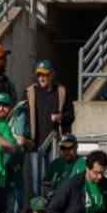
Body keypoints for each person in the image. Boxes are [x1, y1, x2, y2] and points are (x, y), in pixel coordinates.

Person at [22, 59, 72, 201]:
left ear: (52, 75)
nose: (42, 78)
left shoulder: (61, 92)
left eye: (45, 74)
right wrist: (25, 138)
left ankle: (52, 207)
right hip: (35, 145)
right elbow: (21, 117)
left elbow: (71, 116)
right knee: (37, 182)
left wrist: (61, 117)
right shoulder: (29, 92)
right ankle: (39, 210)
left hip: (54, 146)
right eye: (39, 75)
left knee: (53, 180)